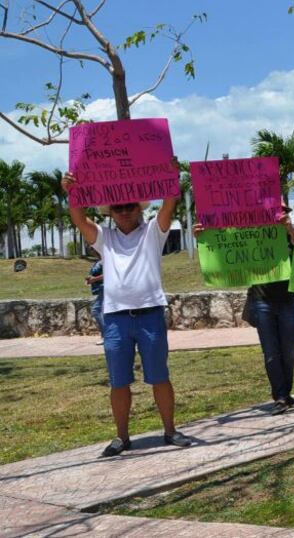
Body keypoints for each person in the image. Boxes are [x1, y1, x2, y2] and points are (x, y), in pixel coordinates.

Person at [61, 169, 194, 457]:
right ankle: (122, 437)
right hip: (116, 319)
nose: (123, 211)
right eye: (118, 207)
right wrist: (71, 191)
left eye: (129, 205)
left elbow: (170, 204)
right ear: (110, 212)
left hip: (150, 315)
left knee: (160, 376)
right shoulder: (104, 238)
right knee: (118, 381)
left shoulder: (153, 233)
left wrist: (170, 176)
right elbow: (79, 218)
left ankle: (170, 430)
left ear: (139, 208)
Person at [193, 199, 294, 415]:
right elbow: (224, 247)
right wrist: (203, 236)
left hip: (289, 300)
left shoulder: (292, 236)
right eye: (272, 212)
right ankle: (279, 396)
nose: (276, 216)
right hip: (262, 302)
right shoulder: (252, 235)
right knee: (271, 353)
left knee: (288, 351)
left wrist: (290, 231)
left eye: (280, 212)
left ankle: (286, 392)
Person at [86, 251, 105, 344]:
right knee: (100, 311)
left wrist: (94, 279)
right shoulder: (98, 261)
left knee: (96, 310)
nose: (92, 250)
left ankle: (106, 335)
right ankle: (105, 335)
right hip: (100, 289)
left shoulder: (105, 260)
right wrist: (89, 280)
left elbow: (109, 274)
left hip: (105, 288)